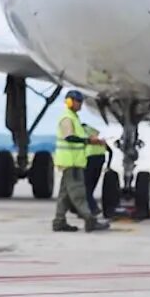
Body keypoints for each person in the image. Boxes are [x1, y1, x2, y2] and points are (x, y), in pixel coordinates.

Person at [52, 91, 111, 232]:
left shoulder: (74, 117)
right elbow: (69, 138)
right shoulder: (67, 118)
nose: (80, 104)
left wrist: (92, 141)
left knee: (64, 195)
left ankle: (59, 221)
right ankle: (90, 220)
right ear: (70, 102)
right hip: (70, 163)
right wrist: (88, 140)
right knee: (79, 194)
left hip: (74, 162)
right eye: (78, 101)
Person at [82, 122, 108, 217]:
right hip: (100, 159)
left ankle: (93, 208)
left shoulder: (82, 132)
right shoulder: (95, 133)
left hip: (89, 160)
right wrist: (108, 165)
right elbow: (110, 150)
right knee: (91, 186)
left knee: (85, 187)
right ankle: (89, 207)